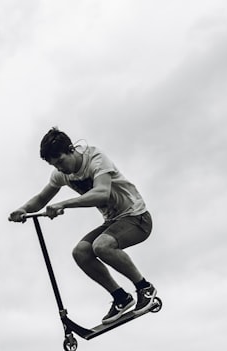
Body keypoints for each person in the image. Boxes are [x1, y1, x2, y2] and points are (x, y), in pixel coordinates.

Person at [9, 127, 157, 324]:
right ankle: (121, 297)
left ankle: (144, 287)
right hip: (113, 221)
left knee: (101, 246)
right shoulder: (61, 174)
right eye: (55, 165)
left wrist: (64, 204)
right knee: (81, 252)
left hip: (137, 217)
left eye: (60, 161)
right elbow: (42, 198)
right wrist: (23, 209)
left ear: (71, 149)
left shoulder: (96, 159)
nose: (60, 168)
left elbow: (102, 193)